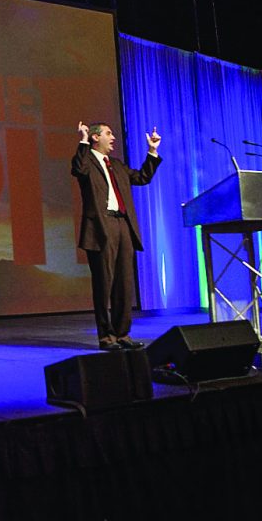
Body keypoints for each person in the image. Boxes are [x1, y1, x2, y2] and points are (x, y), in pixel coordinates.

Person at [72, 121, 162, 350]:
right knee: (104, 283)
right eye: (108, 133)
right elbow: (78, 169)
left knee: (124, 281)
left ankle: (122, 334)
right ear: (95, 137)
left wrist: (152, 151)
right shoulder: (87, 161)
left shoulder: (117, 165)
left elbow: (142, 177)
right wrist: (83, 141)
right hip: (101, 227)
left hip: (123, 224)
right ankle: (106, 336)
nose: (113, 138)